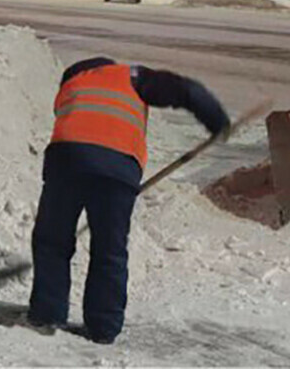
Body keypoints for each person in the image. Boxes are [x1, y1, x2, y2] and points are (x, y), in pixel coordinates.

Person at [27, 57, 230, 344]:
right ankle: (103, 328)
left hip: (66, 162)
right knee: (109, 250)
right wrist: (217, 120)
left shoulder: (71, 83)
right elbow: (188, 90)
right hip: (117, 168)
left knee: (52, 241)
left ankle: (46, 315)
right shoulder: (132, 76)